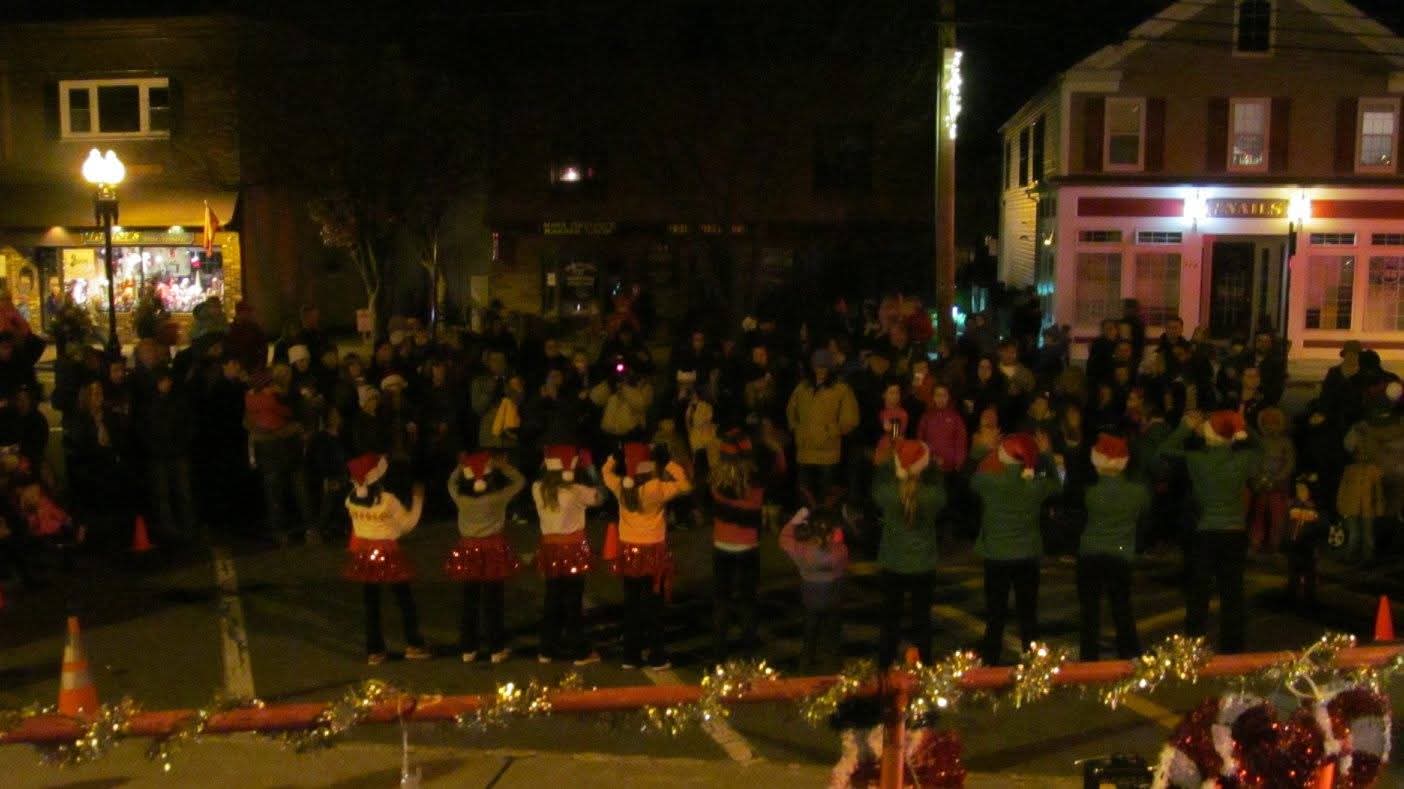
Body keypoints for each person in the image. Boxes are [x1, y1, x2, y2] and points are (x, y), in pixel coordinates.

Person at [1159, 410, 1261, 654]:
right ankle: (1232, 649)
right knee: (1232, 593)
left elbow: (1164, 450)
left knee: (1198, 593)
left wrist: (1185, 427)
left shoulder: (1197, 459)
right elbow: (1261, 448)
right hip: (1234, 531)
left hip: (1205, 530)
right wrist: (1243, 425)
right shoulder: (1243, 459)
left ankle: (1194, 645)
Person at [970, 433, 1061, 665]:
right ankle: (1032, 661)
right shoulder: (1035, 486)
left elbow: (971, 477)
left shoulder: (990, 482)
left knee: (995, 614)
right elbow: (1057, 484)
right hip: (1027, 555)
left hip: (996, 555)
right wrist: (1046, 456)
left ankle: (991, 660)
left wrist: (985, 450)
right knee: (1028, 614)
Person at [601, 442, 692, 670]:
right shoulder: (656, 488)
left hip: (629, 550)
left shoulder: (621, 487)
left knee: (631, 604)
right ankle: (656, 655)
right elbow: (686, 485)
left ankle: (630, 656)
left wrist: (614, 458)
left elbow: (605, 473)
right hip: (653, 551)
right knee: (654, 605)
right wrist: (668, 462)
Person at [342, 453, 430, 665]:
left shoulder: (350, 499)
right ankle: (414, 644)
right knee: (404, 600)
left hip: (365, 555)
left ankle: (375, 650)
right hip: (388, 554)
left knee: (371, 603)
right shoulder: (388, 500)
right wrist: (418, 500)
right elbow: (407, 524)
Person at [445, 452, 526, 664]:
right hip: (493, 549)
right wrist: (502, 466)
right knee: (493, 600)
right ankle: (496, 648)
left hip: (468, 549)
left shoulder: (461, 498)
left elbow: (451, 483)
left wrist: (461, 466)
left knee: (469, 600)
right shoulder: (497, 498)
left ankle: (468, 648)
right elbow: (519, 481)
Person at [873, 439, 946, 667]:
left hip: (893, 563)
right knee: (922, 620)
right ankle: (925, 667)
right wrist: (934, 470)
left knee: (890, 621)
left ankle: (885, 667)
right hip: (923, 564)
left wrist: (889, 464)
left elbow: (877, 485)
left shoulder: (887, 493)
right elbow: (940, 490)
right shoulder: (932, 496)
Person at [1077, 434, 1148, 661]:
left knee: (1089, 612)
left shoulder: (1090, 491)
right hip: (1120, 553)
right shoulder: (1137, 492)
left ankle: (1088, 658)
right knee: (1121, 608)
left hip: (1090, 553)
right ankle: (1129, 654)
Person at [532, 445, 604, 665]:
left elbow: (540, 475)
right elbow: (601, 496)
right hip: (573, 550)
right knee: (573, 601)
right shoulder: (576, 491)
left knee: (552, 597)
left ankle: (546, 649)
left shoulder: (538, 488)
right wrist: (589, 468)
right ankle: (579, 651)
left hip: (550, 549)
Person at [709, 429, 765, 661]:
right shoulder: (755, 482)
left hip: (722, 544)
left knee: (721, 601)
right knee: (747, 602)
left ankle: (718, 655)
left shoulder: (716, 480)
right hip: (747, 547)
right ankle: (748, 654)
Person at [780, 504, 848, 671]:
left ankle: (806, 660)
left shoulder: (801, 551)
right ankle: (834, 662)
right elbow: (843, 564)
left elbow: (784, 538)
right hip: (833, 599)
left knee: (810, 628)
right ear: (832, 532)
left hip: (811, 600)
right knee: (833, 630)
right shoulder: (840, 551)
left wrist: (796, 520)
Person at [786, 349, 859, 500]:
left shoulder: (841, 389)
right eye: (817, 366)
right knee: (804, 495)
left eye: (824, 367)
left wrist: (830, 431)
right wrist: (797, 429)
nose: (820, 370)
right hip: (805, 450)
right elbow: (791, 410)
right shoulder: (802, 388)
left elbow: (850, 419)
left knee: (825, 495)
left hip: (828, 452)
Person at [1284, 474, 1324, 607]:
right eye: (1298, 489)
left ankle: (1309, 597)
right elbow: (1287, 524)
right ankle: (1291, 595)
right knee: (1293, 571)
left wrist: (1316, 544)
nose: (1301, 492)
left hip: (1308, 545)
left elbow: (1320, 526)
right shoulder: (1292, 505)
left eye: (1303, 489)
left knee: (1309, 572)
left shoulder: (1314, 507)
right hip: (1294, 543)